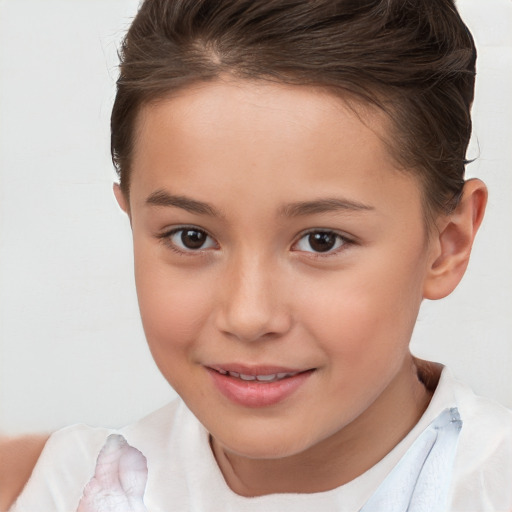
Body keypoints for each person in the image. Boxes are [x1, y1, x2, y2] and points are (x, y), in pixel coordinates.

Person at [6, 0, 512, 510]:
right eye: (191, 237)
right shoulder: (58, 486)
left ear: (449, 245)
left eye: (322, 240)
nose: (248, 317)